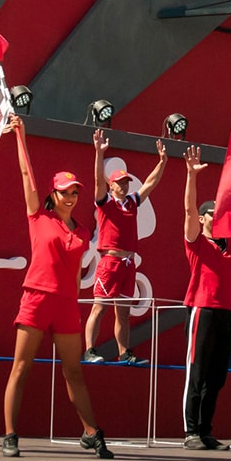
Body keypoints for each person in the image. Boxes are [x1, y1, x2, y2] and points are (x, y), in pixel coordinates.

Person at [0, 115, 112, 459]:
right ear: (54, 193)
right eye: (65, 192)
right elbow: (26, 176)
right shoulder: (39, 215)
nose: (71, 196)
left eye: (75, 192)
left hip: (65, 304)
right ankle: (10, 435)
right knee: (21, 367)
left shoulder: (81, 231)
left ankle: (91, 432)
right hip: (36, 297)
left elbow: (76, 271)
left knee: (74, 371)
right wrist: (20, 136)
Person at [82, 129, 167, 364]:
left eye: (127, 182)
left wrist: (162, 162)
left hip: (128, 263)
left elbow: (150, 184)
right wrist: (99, 154)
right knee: (100, 307)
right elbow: (99, 179)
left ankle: (124, 353)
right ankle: (89, 350)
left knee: (124, 312)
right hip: (109, 261)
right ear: (112, 186)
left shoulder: (132, 202)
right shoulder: (105, 201)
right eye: (120, 182)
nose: (125, 185)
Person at [181, 146, 231, 451]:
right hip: (202, 308)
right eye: (213, 215)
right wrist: (191, 175)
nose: (217, 219)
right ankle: (191, 432)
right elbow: (189, 210)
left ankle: (205, 431)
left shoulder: (227, 246)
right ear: (204, 219)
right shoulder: (196, 241)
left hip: (226, 312)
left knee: (217, 377)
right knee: (197, 371)